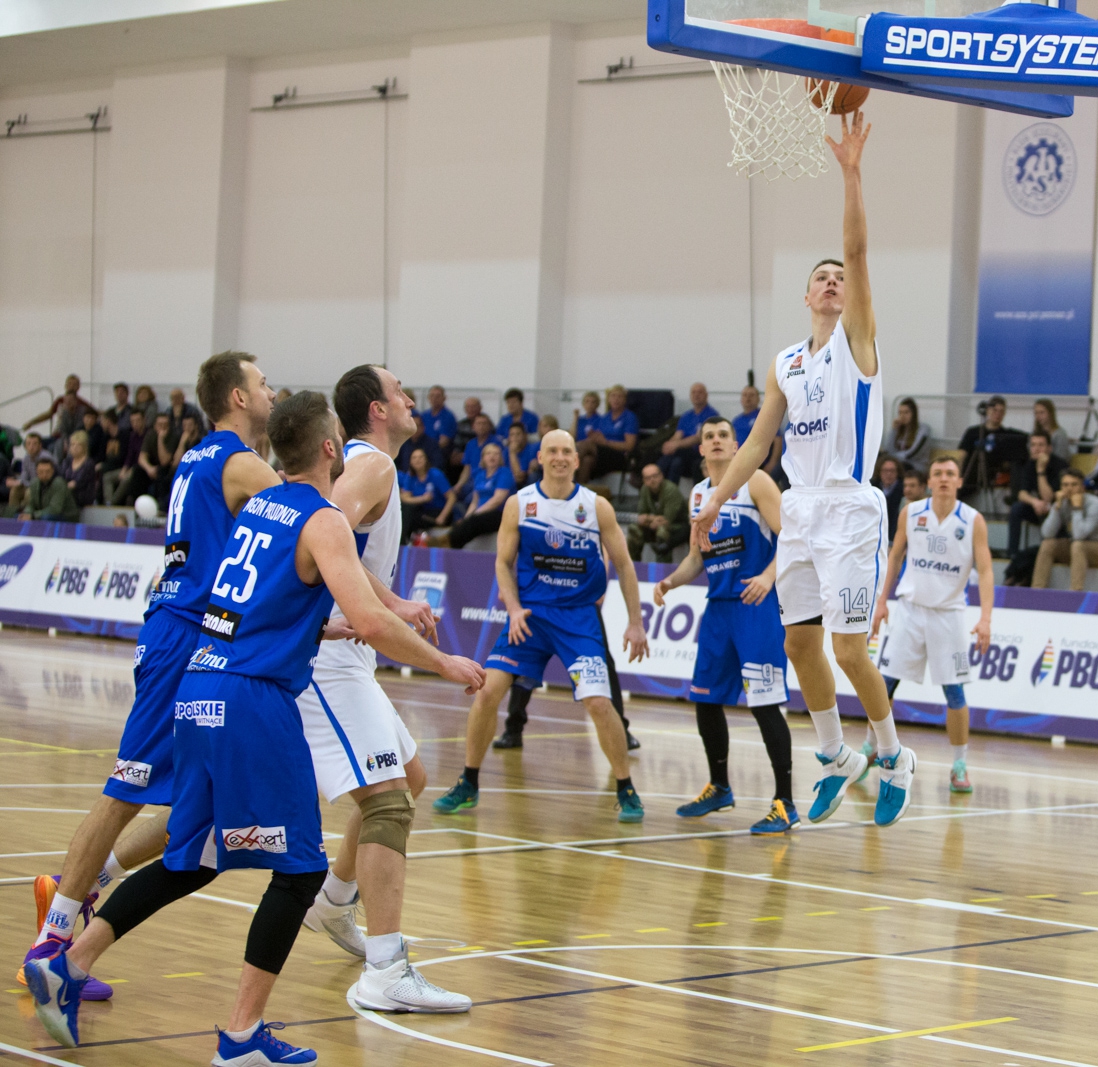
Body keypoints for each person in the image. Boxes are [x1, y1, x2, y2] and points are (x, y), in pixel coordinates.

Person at [25, 390, 484, 1062]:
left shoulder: (256, 510)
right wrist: (442, 659)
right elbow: (379, 620)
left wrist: (318, 622)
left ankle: (68, 959)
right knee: (299, 873)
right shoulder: (323, 519)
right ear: (331, 448)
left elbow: (241, 600)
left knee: (192, 855)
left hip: (202, 684)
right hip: (254, 702)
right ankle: (241, 1036)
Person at [17, 353, 281, 1006]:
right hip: (183, 636)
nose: (271, 388)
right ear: (237, 398)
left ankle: (80, 894)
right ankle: (52, 944)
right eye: (263, 381)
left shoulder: (198, 457)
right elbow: (305, 515)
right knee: (128, 786)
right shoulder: (237, 462)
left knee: (201, 806)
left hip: (204, 639)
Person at [689, 112, 917, 828]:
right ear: (805, 294)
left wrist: (851, 175)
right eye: (820, 276)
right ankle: (835, 758)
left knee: (850, 647)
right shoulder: (786, 360)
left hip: (849, 505)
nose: (831, 280)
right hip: (803, 505)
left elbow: (856, 248)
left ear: (851, 296)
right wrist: (713, 504)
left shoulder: (858, 341)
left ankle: (893, 756)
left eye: (839, 277)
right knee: (797, 641)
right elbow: (757, 443)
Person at [294, 366, 470, 1012]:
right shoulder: (372, 467)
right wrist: (353, 617)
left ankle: (335, 901)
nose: (410, 399)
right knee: (390, 802)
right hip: (330, 660)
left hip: (351, 656)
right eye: (400, 391)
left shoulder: (371, 466)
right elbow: (319, 534)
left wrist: (392, 598)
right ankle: (386, 970)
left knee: (411, 776)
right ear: (377, 408)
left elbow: (348, 556)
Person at [432, 429, 650, 820]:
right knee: (486, 693)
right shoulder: (520, 503)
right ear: (540, 457)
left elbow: (625, 565)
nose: (561, 457)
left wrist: (636, 622)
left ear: (577, 460)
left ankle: (626, 788)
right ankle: (468, 782)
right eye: (553, 451)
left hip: (578, 618)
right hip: (530, 616)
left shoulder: (596, 506)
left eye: (567, 451)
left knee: (599, 703)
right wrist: (513, 608)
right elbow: (501, 563)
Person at [654, 417, 796, 833]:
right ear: (700, 450)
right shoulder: (698, 495)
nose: (716, 442)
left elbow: (792, 538)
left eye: (723, 436)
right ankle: (719, 787)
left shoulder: (756, 483)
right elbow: (697, 558)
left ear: (737, 447)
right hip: (717, 609)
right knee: (705, 698)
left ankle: (785, 802)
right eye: (708, 437)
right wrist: (671, 581)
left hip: (756, 606)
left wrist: (769, 576)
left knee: (765, 704)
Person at [869, 453, 993, 793]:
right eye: (937, 472)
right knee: (883, 683)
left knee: (955, 692)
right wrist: (882, 602)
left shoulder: (973, 520)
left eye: (949, 473)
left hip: (948, 615)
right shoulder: (911, 512)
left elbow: (985, 570)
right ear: (929, 481)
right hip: (910, 610)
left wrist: (985, 618)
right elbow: (894, 556)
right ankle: (872, 747)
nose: (943, 478)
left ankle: (959, 764)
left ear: (959, 481)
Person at [1030, 468, 1098, 591]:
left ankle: (1075, 593)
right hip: (1077, 548)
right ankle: (1037, 590)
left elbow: (1079, 535)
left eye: (1074, 485)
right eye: (1065, 485)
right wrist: (1056, 508)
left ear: (1082, 487)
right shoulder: (1062, 502)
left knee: (1078, 545)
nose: (1069, 489)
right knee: (1048, 544)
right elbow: (1046, 533)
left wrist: (1077, 508)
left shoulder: (1095, 504)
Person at [437, 440, 514, 550]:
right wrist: (467, 518)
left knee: (475, 521)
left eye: (496, 454)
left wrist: (477, 513)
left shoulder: (504, 473)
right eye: (488, 453)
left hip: (500, 513)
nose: (492, 456)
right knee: (463, 522)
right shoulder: (479, 475)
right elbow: (474, 501)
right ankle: (448, 543)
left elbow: (498, 499)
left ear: (500, 457)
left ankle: (447, 542)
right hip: (480, 515)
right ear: (483, 458)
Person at [1008, 432, 1067, 558]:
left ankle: (1045, 554)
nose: (1036, 449)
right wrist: (1035, 502)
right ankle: (1012, 553)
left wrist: (1041, 471)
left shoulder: (1060, 465)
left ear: (1049, 448)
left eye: (1041, 445)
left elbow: (1048, 497)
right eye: (1033, 445)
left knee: (1049, 511)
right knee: (1016, 508)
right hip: (1039, 507)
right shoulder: (1029, 465)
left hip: (1057, 509)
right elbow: (1021, 494)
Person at [955, 395, 1027, 498]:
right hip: (970, 472)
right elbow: (961, 455)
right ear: (987, 410)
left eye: (1001, 411)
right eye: (994, 410)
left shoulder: (1006, 435)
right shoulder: (973, 432)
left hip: (990, 473)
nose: (997, 414)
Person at [659, 382, 719, 484]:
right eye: (694, 393)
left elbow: (698, 438)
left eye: (700, 392)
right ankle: (664, 493)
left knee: (677, 459)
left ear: (706, 395)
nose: (696, 395)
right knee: (671, 461)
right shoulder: (686, 416)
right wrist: (669, 445)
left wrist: (676, 445)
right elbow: (678, 435)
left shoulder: (712, 415)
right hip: (683, 454)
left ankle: (666, 490)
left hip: (700, 453)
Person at [577, 384, 638, 484]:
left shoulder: (629, 418)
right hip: (602, 454)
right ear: (608, 399)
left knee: (584, 446)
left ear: (624, 400)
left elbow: (629, 446)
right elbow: (598, 438)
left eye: (619, 396)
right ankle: (577, 495)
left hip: (620, 456)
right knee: (587, 460)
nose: (616, 399)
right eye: (613, 396)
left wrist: (606, 442)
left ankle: (561, 478)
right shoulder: (605, 418)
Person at [628, 463, 689, 562]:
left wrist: (649, 519)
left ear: (661, 476)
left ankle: (662, 570)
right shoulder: (644, 489)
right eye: (648, 478)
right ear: (644, 480)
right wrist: (652, 520)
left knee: (662, 531)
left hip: (677, 527)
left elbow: (666, 520)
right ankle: (634, 566)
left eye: (655, 476)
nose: (652, 480)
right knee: (634, 530)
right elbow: (641, 517)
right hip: (653, 525)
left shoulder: (671, 490)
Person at [399, 445, 455, 542]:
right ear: (410, 461)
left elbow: (452, 497)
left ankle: (403, 542)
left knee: (410, 518)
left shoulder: (435, 474)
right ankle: (403, 541)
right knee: (406, 510)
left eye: (421, 457)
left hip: (439, 511)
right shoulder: (410, 476)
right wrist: (422, 499)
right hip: (422, 511)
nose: (418, 460)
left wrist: (442, 517)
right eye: (414, 458)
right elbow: (404, 498)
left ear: (426, 460)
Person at [23, 374, 97, 444]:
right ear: (65, 386)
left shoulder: (82, 404)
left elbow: (95, 413)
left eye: (74, 384)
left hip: (72, 437)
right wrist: (31, 423)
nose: (71, 386)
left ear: (78, 387)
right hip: (57, 435)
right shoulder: (60, 400)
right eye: (69, 384)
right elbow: (49, 414)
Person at [8, 455, 79, 521]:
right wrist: (27, 513)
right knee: (17, 516)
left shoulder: (59, 483)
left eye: (47, 472)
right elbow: (31, 504)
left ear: (53, 471)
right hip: (43, 514)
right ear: (36, 472)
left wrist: (33, 516)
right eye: (41, 472)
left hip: (65, 516)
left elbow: (55, 509)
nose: (44, 475)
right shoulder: (34, 483)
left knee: (45, 517)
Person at [103, 410, 148, 506]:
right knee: (107, 477)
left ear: (144, 420)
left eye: (138, 420)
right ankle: (108, 502)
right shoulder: (132, 436)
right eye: (132, 421)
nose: (135, 424)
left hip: (141, 469)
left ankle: (112, 503)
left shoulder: (149, 435)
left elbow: (146, 456)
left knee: (126, 479)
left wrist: (131, 469)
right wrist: (124, 469)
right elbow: (129, 455)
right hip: (130, 467)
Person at [884, 398, 930, 473]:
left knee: (895, 467)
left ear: (914, 414)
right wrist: (894, 430)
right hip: (899, 464)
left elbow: (912, 454)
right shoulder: (899, 430)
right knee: (881, 464)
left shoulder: (923, 430)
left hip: (916, 466)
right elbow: (888, 450)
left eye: (906, 412)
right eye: (900, 413)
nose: (902, 416)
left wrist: (893, 458)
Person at [6, 432, 44, 511]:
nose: (31, 447)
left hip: (43, 487)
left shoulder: (45, 459)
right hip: (30, 484)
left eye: (34, 444)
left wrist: (25, 483)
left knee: (29, 492)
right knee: (15, 490)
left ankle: (26, 516)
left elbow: (42, 480)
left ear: (40, 446)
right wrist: (21, 483)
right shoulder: (26, 458)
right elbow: (24, 475)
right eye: (28, 444)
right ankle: (12, 516)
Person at [61, 431, 98, 510]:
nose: (75, 448)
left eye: (78, 445)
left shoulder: (89, 463)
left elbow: (80, 483)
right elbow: (61, 478)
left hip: (82, 495)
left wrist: (67, 486)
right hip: (67, 492)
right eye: (73, 445)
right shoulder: (67, 461)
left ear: (84, 447)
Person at [418, 385, 457, 454]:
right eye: (432, 396)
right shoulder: (424, 415)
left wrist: (427, 451)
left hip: (439, 452)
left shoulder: (448, 416)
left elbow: (444, 442)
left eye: (438, 396)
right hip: (422, 450)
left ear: (444, 398)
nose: (434, 399)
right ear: (428, 398)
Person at [875, 456, 905, 538]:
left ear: (897, 472)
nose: (888, 474)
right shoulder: (873, 488)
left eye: (892, 471)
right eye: (885, 471)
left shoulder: (904, 490)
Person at [505, 422, 538, 487]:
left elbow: (519, 478)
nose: (515, 437)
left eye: (518, 434)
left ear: (525, 435)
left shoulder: (532, 449)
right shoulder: (505, 451)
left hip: (524, 486)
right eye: (512, 435)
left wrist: (512, 453)